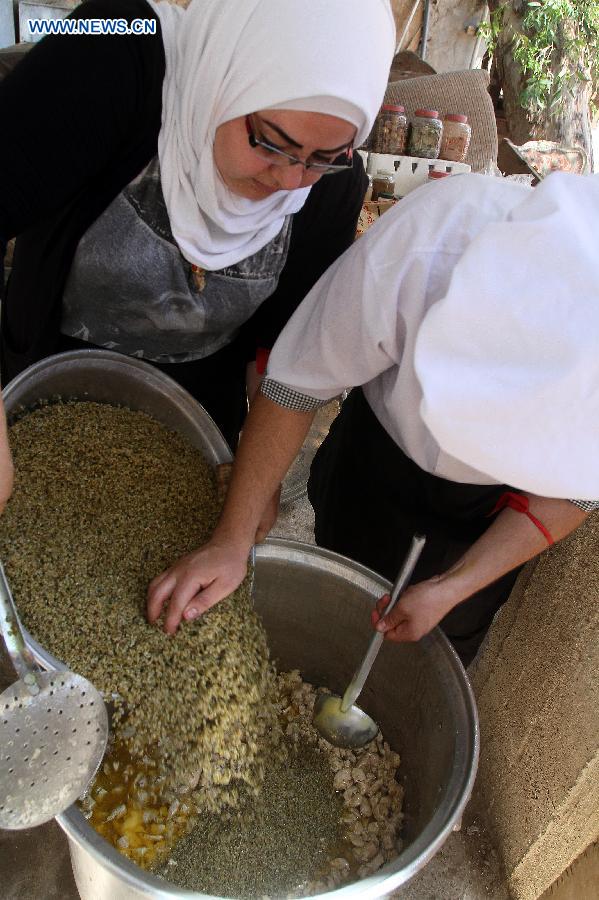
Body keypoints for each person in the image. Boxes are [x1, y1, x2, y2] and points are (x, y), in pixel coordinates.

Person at [145, 171, 599, 663]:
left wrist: (452, 587)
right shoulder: (427, 243)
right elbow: (298, 383)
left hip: (492, 513)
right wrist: (232, 538)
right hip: (379, 453)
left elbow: (575, 491)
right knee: (339, 569)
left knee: (448, 631)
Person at [0, 0, 396, 469]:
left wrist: (253, 477)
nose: (290, 180)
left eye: (323, 156)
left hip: (195, 421)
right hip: (46, 385)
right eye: (272, 143)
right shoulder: (111, 51)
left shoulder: (334, 183)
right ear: (226, 77)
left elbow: (282, 349)